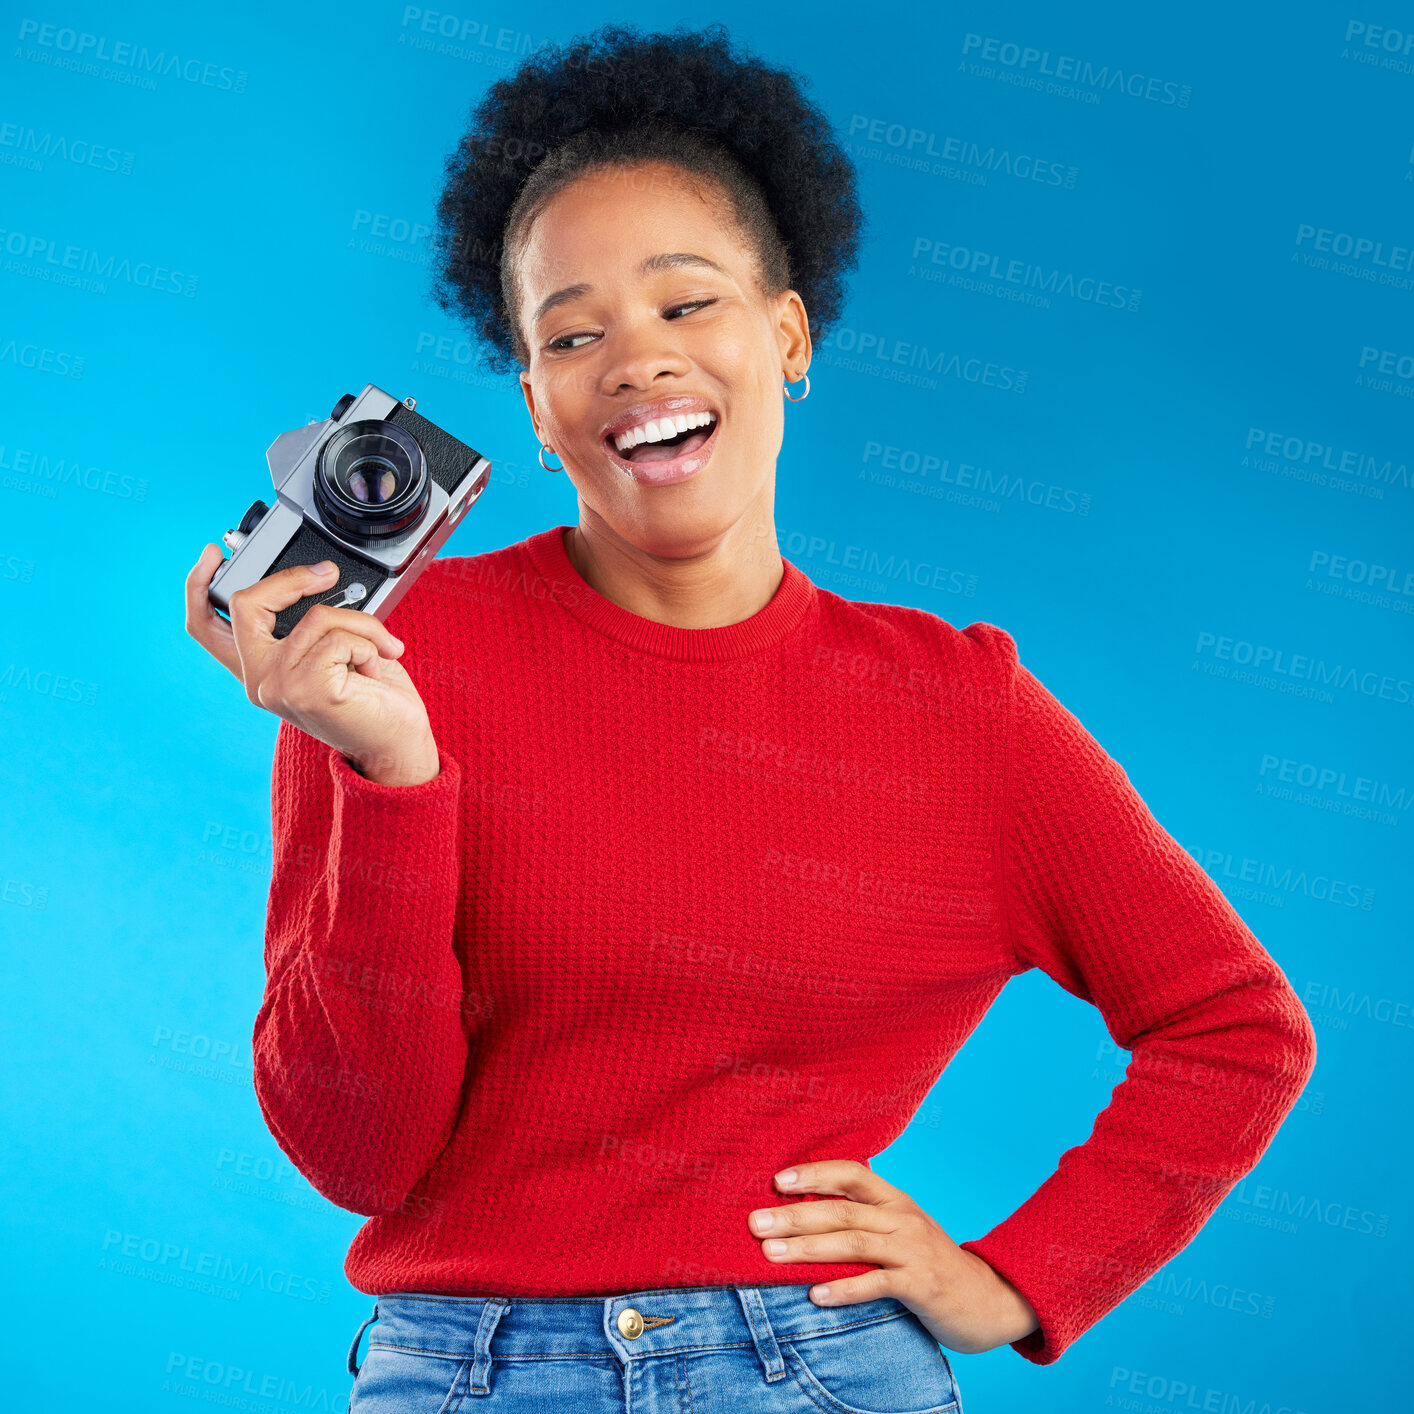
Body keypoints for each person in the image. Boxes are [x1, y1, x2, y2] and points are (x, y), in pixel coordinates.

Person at [184, 22, 1316, 1412]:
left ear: (785, 334)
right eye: (572, 334)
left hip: (816, 1368)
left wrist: (1020, 1277)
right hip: (466, 1371)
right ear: (534, 410)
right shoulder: (385, 661)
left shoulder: (957, 706)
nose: (635, 362)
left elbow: (1233, 1023)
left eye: (684, 303)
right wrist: (391, 771)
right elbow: (358, 1154)